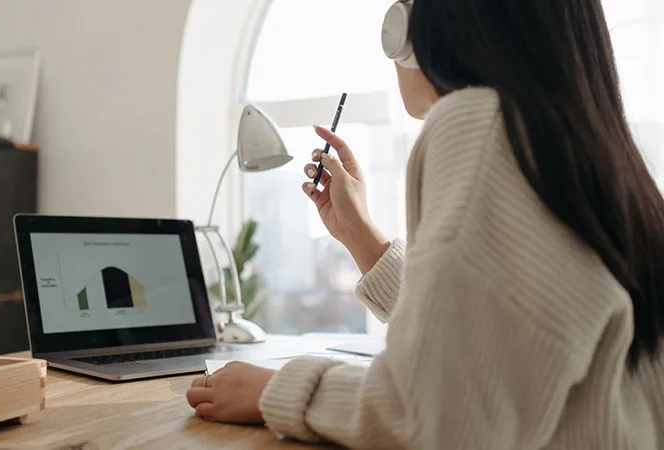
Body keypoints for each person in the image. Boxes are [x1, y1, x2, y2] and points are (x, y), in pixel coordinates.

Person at [186, 0, 664, 447]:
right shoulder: (594, 154)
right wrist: (360, 234)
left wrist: (277, 390)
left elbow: (438, 418)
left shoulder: (482, 125)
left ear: (414, 30)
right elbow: (491, 339)